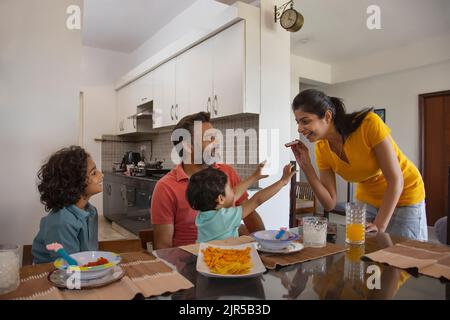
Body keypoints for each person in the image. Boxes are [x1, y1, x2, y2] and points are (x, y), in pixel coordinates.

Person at [289, 89, 427, 240]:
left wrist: (379, 226)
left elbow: (395, 180)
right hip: (369, 197)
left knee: (404, 255)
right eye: (298, 122)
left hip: (404, 192)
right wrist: (306, 166)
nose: (300, 129)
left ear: (327, 116)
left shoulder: (368, 124)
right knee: (365, 252)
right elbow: (329, 203)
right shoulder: (322, 148)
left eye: (305, 121)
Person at [151, 112, 265, 249]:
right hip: (189, 264)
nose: (216, 143)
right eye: (210, 138)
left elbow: (250, 215)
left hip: (231, 259)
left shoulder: (227, 172)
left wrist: (265, 246)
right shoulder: (165, 187)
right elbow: (163, 246)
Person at [187, 163, 295, 242]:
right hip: (224, 260)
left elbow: (234, 194)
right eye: (229, 188)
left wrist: (254, 177)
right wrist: (282, 182)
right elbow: (257, 200)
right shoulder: (225, 218)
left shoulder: (203, 215)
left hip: (206, 257)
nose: (233, 190)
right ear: (220, 199)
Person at [32, 146, 103, 263]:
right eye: (94, 173)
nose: (101, 175)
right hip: (52, 274)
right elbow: (68, 267)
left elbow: (90, 254)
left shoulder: (91, 212)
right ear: (76, 182)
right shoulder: (62, 222)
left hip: (80, 270)